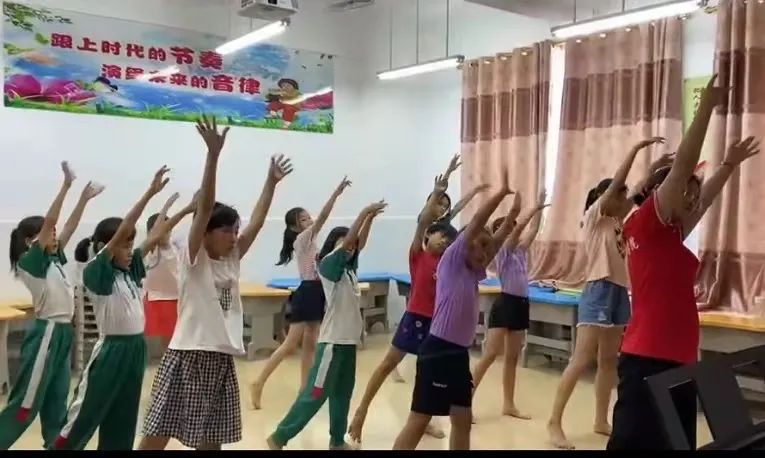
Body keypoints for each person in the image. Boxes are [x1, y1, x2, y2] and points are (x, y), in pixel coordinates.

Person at [608, 76, 759, 450]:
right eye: (685, 193)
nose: (692, 200)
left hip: (677, 357)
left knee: (675, 444)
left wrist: (728, 165)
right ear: (663, 193)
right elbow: (683, 168)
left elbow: (704, 201)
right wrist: (706, 107)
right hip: (647, 358)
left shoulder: (669, 231)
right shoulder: (647, 222)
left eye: (693, 194)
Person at [140, 116, 293, 451]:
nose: (234, 237)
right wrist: (213, 156)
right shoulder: (194, 257)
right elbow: (205, 207)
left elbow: (257, 221)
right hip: (189, 356)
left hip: (220, 359)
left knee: (212, 440)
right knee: (157, 433)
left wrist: (271, 183)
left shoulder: (232, 258)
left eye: (235, 230)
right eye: (226, 230)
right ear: (206, 232)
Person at [546, 136, 666, 450]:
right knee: (581, 358)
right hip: (598, 289)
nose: (624, 197)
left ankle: (601, 419)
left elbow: (637, 192)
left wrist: (654, 169)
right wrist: (634, 150)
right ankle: (554, 422)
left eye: (624, 195)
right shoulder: (594, 218)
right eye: (617, 193)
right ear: (603, 197)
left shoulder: (617, 223)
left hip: (618, 291)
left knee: (609, 360)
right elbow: (619, 186)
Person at [51, 165, 174, 450]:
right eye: (124, 245)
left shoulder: (129, 271)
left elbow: (154, 237)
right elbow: (124, 230)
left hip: (135, 349)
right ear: (106, 246)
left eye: (131, 245)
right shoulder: (96, 272)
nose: (130, 250)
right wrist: (148, 193)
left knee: (123, 417)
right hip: (111, 351)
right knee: (83, 415)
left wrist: (181, 210)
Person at [393, 172, 517, 451]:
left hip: (459, 355)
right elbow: (477, 223)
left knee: (462, 420)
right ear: (464, 244)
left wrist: (514, 215)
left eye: (488, 248)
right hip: (437, 352)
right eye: (480, 245)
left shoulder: (473, 272)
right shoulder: (451, 261)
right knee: (419, 420)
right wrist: (500, 194)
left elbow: (496, 241)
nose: (486, 252)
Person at [347, 167, 460, 444]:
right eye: (441, 236)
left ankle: (423, 420)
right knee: (388, 364)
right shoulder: (418, 255)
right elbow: (423, 221)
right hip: (414, 319)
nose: (444, 241)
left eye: (449, 240)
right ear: (428, 236)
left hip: (437, 325)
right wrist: (437, 192)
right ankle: (361, 411)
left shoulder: (446, 263)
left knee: (426, 374)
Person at [267, 200, 387, 451]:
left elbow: (358, 243)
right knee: (315, 394)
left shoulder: (349, 269)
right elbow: (350, 242)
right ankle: (279, 436)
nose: (349, 248)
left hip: (348, 343)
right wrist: (363, 212)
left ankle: (336, 441)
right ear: (333, 246)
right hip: (332, 344)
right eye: (343, 244)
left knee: (342, 395)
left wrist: (370, 220)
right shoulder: (328, 265)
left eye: (351, 245)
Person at [0, 163, 102, 449]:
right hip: (46, 334)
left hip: (62, 334)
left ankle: (54, 445)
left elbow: (66, 227)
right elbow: (51, 223)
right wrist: (66, 186)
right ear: (30, 241)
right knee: (25, 404)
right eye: (49, 233)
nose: (55, 236)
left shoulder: (54, 260)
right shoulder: (30, 264)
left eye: (54, 234)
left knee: (57, 401)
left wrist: (83, 199)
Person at [250, 176, 352, 410]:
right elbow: (323, 217)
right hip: (307, 291)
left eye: (308, 217)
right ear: (295, 227)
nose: (309, 220)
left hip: (316, 291)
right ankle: (259, 381)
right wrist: (336, 194)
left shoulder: (310, 241)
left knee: (311, 343)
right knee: (290, 344)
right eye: (303, 219)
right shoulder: (302, 239)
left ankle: (304, 388)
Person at [471, 190, 548, 420]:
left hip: (521, 304)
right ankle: (466, 401)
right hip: (505, 304)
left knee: (512, 358)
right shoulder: (502, 252)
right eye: (507, 229)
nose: (514, 232)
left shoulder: (520, 252)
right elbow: (518, 230)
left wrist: (540, 208)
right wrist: (533, 209)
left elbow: (532, 230)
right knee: (490, 355)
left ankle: (509, 404)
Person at [143, 192, 196, 353]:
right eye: (163, 230)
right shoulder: (153, 251)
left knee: (178, 338)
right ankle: (168, 359)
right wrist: (166, 207)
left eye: (169, 230)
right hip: (159, 299)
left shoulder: (176, 246)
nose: (166, 233)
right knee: (168, 341)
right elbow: (156, 232)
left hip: (178, 298)